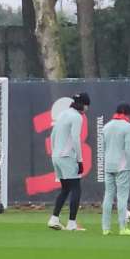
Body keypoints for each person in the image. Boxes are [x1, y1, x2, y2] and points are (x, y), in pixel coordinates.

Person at [48, 93, 90, 231]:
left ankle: (54, 218)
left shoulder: (62, 114)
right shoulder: (77, 117)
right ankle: (72, 223)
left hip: (56, 156)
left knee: (65, 189)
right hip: (67, 156)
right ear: (83, 104)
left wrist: (54, 153)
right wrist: (80, 160)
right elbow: (76, 138)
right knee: (76, 188)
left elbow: (53, 135)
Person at [102, 103, 130, 236]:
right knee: (122, 197)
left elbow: (104, 148)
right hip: (123, 166)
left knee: (108, 196)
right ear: (128, 114)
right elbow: (129, 151)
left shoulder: (106, 126)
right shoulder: (128, 127)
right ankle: (123, 228)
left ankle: (105, 228)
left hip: (108, 165)